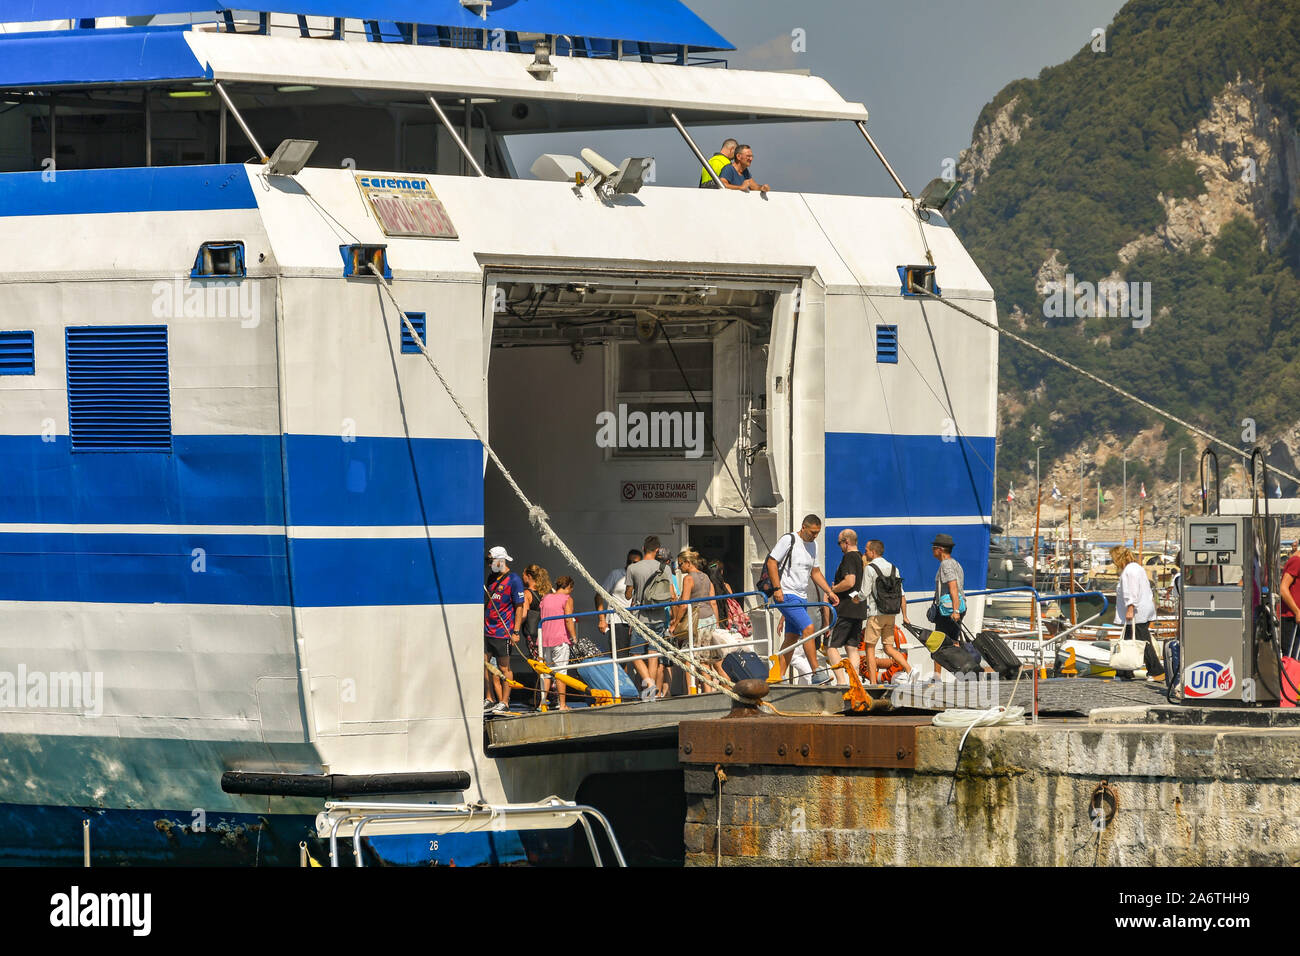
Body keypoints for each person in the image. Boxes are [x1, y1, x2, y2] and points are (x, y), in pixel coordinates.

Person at [766, 514, 839, 682]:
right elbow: (771, 562)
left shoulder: (813, 545)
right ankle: (816, 672)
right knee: (809, 628)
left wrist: (829, 591)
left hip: (801, 596)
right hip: (786, 594)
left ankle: (777, 676)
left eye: (817, 533)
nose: (814, 536)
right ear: (803, 527)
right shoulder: (789, 539)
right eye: (812, 532)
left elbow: (815, 572)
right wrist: (777, 588)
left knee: (792, 637)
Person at [625, 536, 679, 698]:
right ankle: (651, 695)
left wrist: (634, 589)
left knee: (635, 654)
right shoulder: (666, 568)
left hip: (641, 618)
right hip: (660, 617)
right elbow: (672, 595)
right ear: (657, 550)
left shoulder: (633, 569)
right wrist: (674, 620)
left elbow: (628, 595)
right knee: (653, 655)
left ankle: (649, 685)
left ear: (643, 548)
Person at [1112, 545, 1166, 682]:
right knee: (1129, 640)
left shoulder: (1129, 571)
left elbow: (1132, 591)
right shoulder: (1136, 568)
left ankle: (1157, 671)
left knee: (1142, 642)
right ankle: (1124, 672)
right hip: (1142, 611)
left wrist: (1130, 608)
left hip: (1137, 613)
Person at [862, 539, 911, 683]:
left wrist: (854, 599)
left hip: (876, 614)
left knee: (869, 649)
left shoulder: (870, 569)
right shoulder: (894, 568)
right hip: (891, 614)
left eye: (866, 550)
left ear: (873, 551)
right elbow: (901, 594)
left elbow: (864, 593)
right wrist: (905, 616)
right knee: (888, 647)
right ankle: (909, 669)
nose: (865, 552)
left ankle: (872, 683)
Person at [671, 549, 719, 692]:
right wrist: (716, 622)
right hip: (709, 618)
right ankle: (707, 692)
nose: (679, 568)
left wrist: (676, 622)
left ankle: (691, 692)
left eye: (680, 564)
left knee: (689, 658)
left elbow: (684, 604)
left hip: (696, 620)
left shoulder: (689, 578)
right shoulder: (706, 576)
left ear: (688, 563)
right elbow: (713, 602)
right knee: (705, 660)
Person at [484, 545, 525, 713]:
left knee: (504, 668)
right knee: (485, 665)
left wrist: (516, 632)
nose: (488, 564)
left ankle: (505, 701)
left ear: (500, 560)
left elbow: (519, 607)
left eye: (490, 561)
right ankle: (489, 698)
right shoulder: (491, 578)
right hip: (488, 629)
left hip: (503, 631)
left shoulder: (514, 580)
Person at [826, 530, 867, 686]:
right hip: (859, 609)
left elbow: (850, 582)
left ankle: (842, 682)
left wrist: (833, 590)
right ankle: (855, 682)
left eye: (839, 543)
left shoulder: (849, 557)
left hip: (845, 609)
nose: (840, 547)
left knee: (830, 646)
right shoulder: (862, 559)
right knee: (852, 647)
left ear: (846, 542)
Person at [596, 549, 641, 666]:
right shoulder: (616, 574)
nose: (631, 565)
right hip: (618, 621)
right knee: (620, 660)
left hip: (638, 622)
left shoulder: (641, 577)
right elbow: (599, 595)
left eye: (635, 563)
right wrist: (602, 619)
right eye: (629, 561)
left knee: (641, 658)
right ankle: (620, 684)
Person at [538, 577, 577, 710]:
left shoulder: (546, 597)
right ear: (569, 587)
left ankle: (542, 703)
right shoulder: (567, 599)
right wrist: (574, 638)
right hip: (560, 639)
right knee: (561, 673)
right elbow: (568, 620)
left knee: (546, 673)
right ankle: (562, 704)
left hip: (544, 640)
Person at [930, 534, 965, 675]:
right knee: (954, 643)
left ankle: (937, 678)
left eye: (933, 548)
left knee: (937, 644)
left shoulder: (946, 564)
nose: (932, 551)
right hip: (955, 608)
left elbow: (953, 587)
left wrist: (955, 610)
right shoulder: (956, 563)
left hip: (948, 610)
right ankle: (962, 674)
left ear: (940, 549)